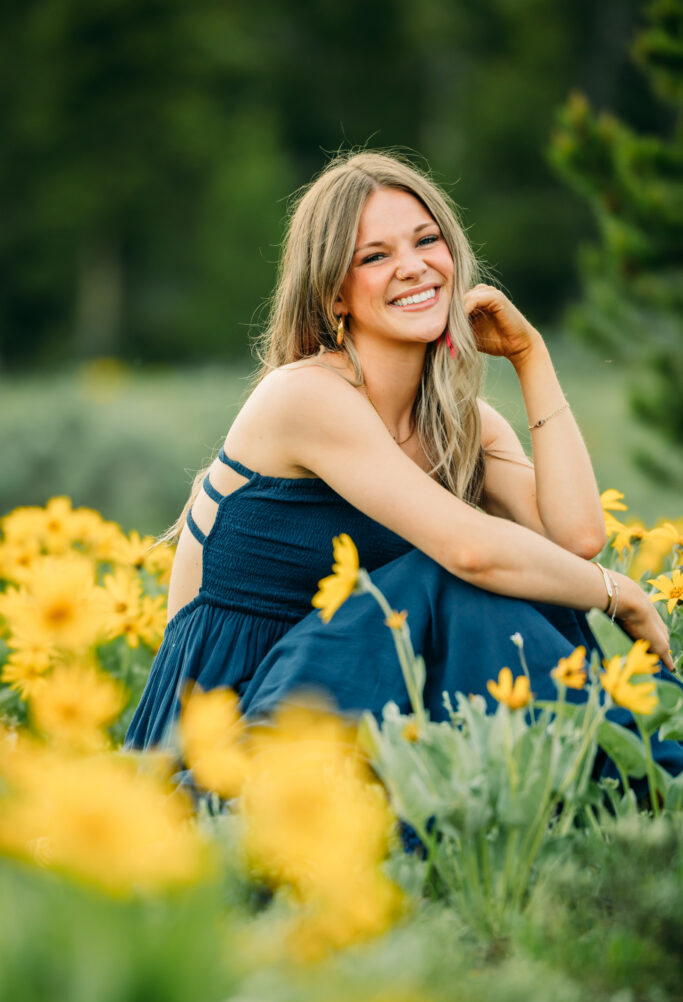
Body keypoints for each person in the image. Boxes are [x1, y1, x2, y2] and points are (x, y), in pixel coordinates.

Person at [125, 150, 680, 776]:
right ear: (335, 293)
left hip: (360, 701)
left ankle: (608, 784)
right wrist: (619, 596)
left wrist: (531, 356)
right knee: (452, 575)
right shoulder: (303, 396)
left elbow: (576, 538)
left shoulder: (457, 423)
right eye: (375, 256)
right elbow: (472, 551)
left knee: (518, 579)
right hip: (228, 732)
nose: (413, 268)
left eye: (426, 241)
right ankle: (628, 777)